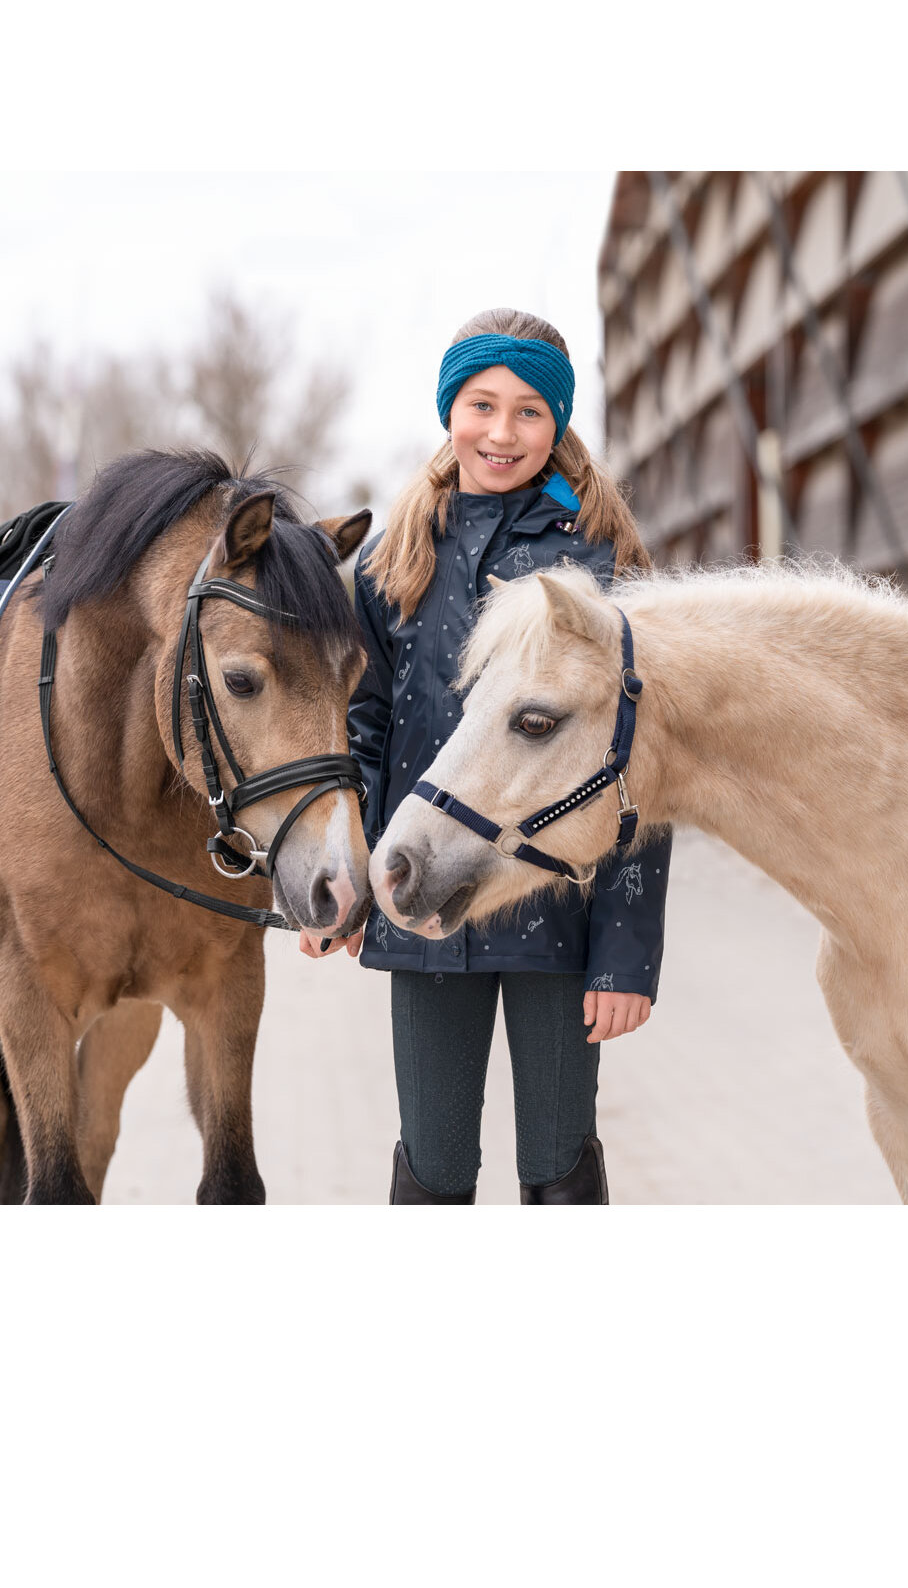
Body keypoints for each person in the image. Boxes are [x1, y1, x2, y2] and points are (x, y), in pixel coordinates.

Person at [302, 306, 672, 1204]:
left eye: (529, 412)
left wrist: (626, 956)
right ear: (449, 412)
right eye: (481, 405)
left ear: (558, 424)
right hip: (423, 906)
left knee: (557, 1168)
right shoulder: (396, 558)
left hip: (560, 916)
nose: (501, 433)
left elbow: (646, 766)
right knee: (431, 1169)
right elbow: (361, 730)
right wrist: (340, 884)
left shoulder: (604, 563)